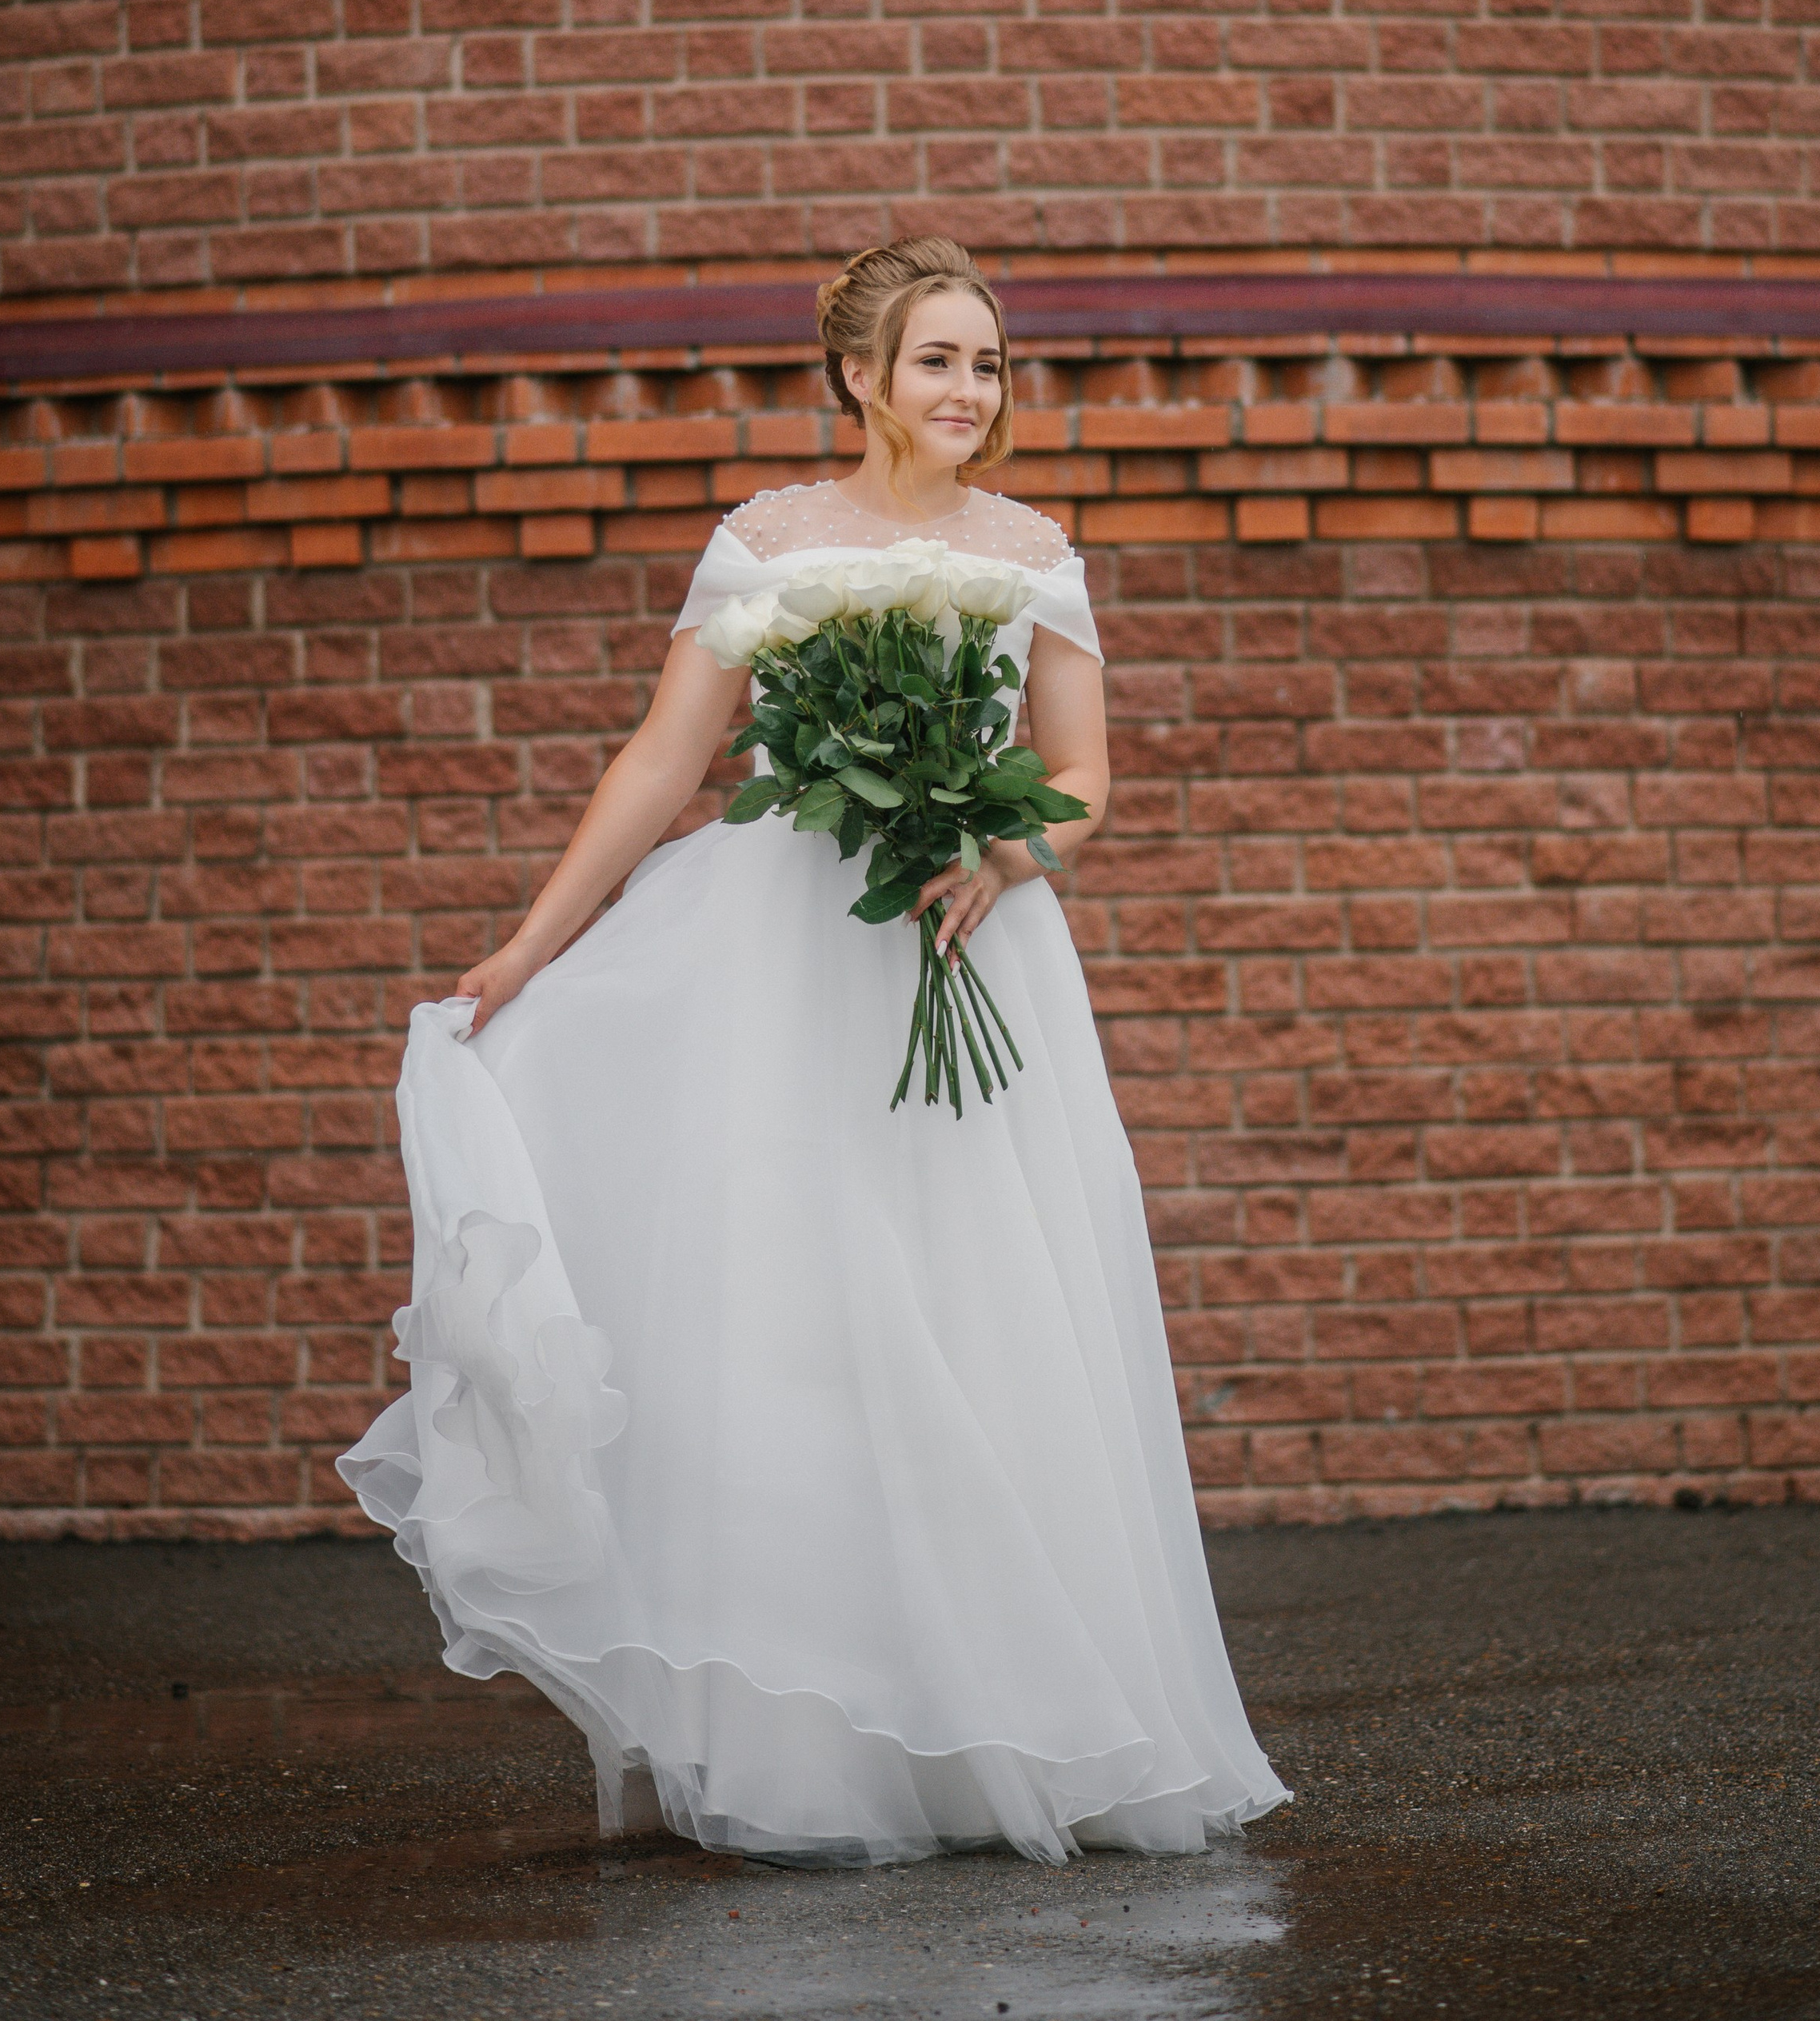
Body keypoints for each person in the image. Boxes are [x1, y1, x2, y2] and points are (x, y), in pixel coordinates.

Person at [338, 236, 1288, 1867]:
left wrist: (996, 854)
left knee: (981, 1312)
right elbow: (665, 761)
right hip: (775, 964)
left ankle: (1020, 1714)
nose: (967, 393)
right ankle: (822, 1736)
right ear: (856, 374)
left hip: (966, 950)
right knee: (790, 1325)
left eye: (988, 364)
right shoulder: (766, 542)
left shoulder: (1033, 548)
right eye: (936, 359)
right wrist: (528, 940)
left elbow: (1077, 774)